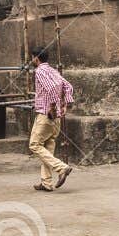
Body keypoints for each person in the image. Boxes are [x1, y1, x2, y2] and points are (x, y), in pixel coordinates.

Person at [29, 48, 74, 192]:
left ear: (36, 58)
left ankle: (61, 168)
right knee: (48, 146)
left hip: (46, 115)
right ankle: (46, 182)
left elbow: (51, 88)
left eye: (32, 58)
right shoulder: (54, 71)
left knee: (35, 145)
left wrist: (54, 107)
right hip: (56, 118)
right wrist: (65, 104)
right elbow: (68, 86)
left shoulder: (39, 72)